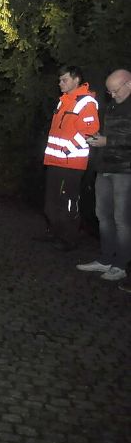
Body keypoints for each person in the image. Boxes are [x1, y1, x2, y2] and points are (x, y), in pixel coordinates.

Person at [78, 68, 131, 283]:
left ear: (129, 84)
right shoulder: (112, 105)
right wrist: (100, 138)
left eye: (115, 91)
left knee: (122, 219)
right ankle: (106, 258)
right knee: (103, 215)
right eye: (109, 92)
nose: (112, 95)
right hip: (106, 167)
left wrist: (107, 142)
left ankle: (121, 264)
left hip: (125, 171)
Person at [41, 65, 100, 251]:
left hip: (71, 163)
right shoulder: (63, 101)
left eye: (64, 80)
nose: (60, 83)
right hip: (54, 161)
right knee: (51, 203)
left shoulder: (86, 102)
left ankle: (69, 238)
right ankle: (57, 232)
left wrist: (66, 150)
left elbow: (90, 132)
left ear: (76, 80)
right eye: (59, 80)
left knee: (67, 202)